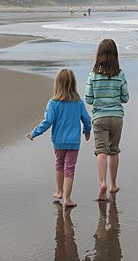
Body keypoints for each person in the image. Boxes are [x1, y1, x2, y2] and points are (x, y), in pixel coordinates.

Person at [27, 69, 91, 207]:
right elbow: (86, 119)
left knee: (59, 164)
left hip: (59, 141)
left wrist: (34, 133)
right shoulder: (78, 102)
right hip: (74, 142)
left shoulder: (53, 103)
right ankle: (67, 199)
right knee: (70, 167)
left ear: (57, 84)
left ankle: (59, 191)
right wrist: (87, 131)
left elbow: (47, 122)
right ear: (73, 84)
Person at [85, 39, 129, 201]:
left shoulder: (93, 75)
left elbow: (88, 99)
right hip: (117, 117)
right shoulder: (120, 74)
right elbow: (125, 97)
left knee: (101, 151)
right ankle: (113, 184)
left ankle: (102, 182)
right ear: (115, 55)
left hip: (99, 117)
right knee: (114, 150)